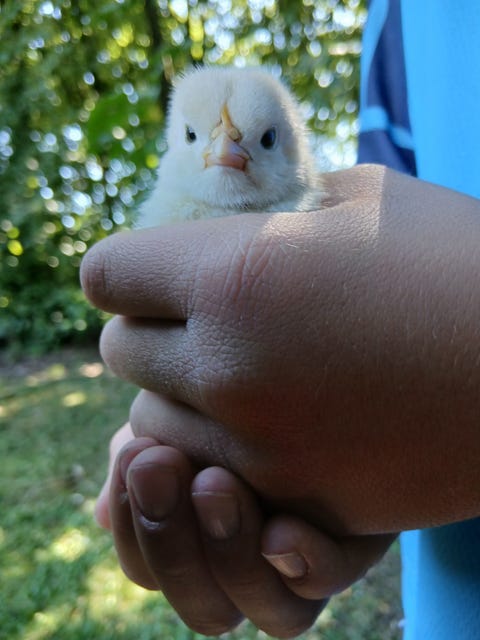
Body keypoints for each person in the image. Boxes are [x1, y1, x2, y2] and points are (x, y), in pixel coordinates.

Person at [81, 2, 480, 638]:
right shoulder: (401, 21)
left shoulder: (311, 221)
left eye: (262, 140)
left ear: (288, 147)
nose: (224, 151)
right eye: (197, 138)